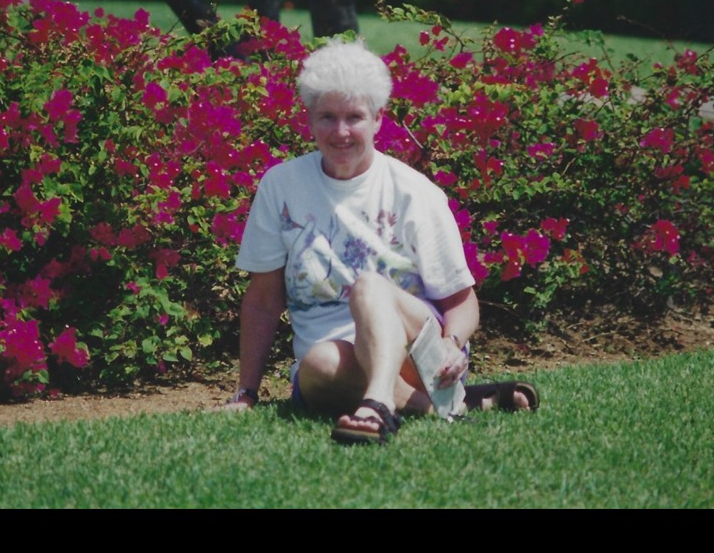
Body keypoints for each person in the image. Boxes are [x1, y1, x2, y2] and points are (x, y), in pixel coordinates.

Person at [225, 37, 538, 444]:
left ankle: (377, 405)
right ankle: (451, 406)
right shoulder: (281, 186)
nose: (340, 132)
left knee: (369, 287)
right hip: (335, 363)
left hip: (417, 354)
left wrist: (451, 344)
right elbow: (263, 300)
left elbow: (462, 301)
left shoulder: (414, 191)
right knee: (315, 363)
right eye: (327, 117)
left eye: (354, 117)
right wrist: (246, 392)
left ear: (377, 119)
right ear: (309, 119)